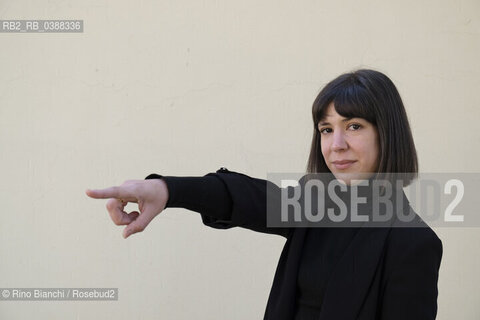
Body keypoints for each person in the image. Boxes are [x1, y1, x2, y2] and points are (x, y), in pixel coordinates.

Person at [86, 69, 443, 320]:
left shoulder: (413, 243)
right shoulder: (315, 200)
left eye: (354, 126)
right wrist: (166, 189)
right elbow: (246, 196)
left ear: (388, 134)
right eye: (326, 129)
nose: (336, 145)